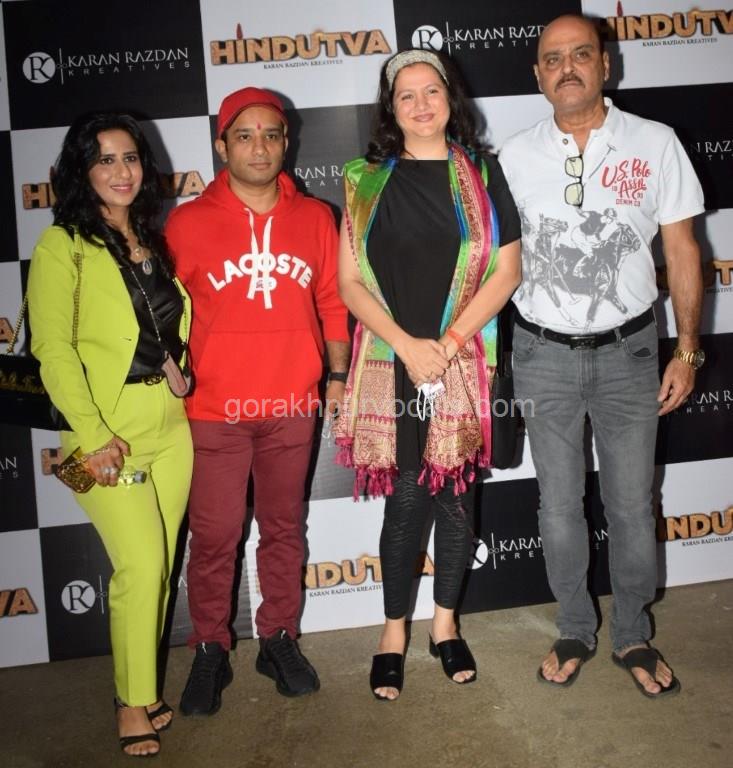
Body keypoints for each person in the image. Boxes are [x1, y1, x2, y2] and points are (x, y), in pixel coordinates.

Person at [499, 14, 704, 697]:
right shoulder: (513, 156)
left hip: (630, 354)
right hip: (542, 354)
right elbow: (491, 263)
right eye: (552, 58)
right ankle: (574, 627)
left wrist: (687, 351)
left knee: (631, 506)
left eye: (580, 54)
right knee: (558, 505)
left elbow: (682, 250)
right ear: (537, 74)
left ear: (604, 65)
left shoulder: (655, 142)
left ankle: (633, 633)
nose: (567, 68)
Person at [335, 49, 521, 700]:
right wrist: (408, 347)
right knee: (408, 498)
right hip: (392, 359)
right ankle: (393, 632)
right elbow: (350, 283)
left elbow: (507, 272)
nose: (420, 104)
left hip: (462, 357)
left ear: (450, 98)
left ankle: (445, 625)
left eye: (431, 91)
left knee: (457, 498)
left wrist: (445, 344)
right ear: (390, 108)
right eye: (405, 95)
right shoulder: (362, 180)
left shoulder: (484, 173)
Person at [165, 87, 350, 714]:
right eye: (244, 136)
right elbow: (163, 315)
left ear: (287, 142)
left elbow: (331, 300)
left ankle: (278, 637)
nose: (259, 147)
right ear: (222, 146)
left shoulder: (316, 218)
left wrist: (336, 375)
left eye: (271, 134)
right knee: (215, 536)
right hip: (214, 411)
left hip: (292, 405)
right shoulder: (186, 224)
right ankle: (209, 646)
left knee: (283, 528)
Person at [27, 113, 193, 756]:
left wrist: (180, 367)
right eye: (105, 160)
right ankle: (131, 702)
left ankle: (144, 685)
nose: (121, 171)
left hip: (169, 425)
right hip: (103, 434)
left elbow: (161, 325)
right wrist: (94, 435)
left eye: (130, 158)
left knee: (160, 567)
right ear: (82, 170)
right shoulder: (62, 244)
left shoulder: (148, 238)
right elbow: (53, 349)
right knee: (140, 564)